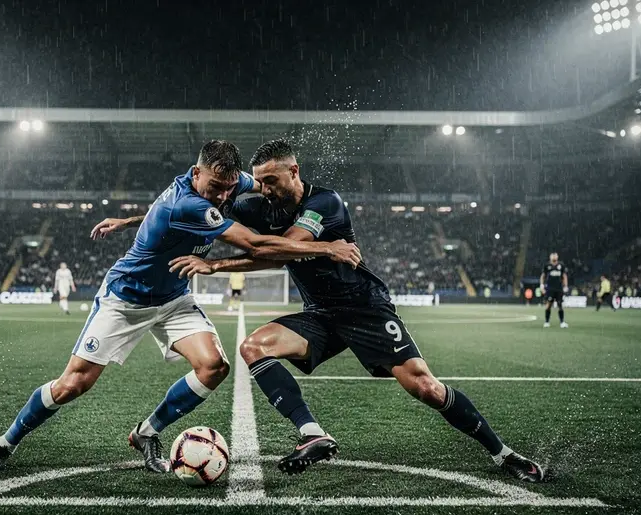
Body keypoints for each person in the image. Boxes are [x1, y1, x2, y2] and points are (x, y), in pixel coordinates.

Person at [0, 140, 361, 477]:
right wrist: (328, 247)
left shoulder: (226, 183)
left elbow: (178, 211)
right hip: (126, 300)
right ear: (196, 174)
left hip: (173, 297)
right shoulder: (187, 204)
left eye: (229, 189)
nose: (223, 197)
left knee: (213, 367)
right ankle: (4, 444)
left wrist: (128, 221)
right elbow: (255, 246)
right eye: (215, 187)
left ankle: (147, 432)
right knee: (73, 384)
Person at [170, 139, 545, 482]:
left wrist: (217, 265)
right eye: (260, 182)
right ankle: (313, 435)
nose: (265, 190)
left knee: (426, 387)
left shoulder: (325, 203)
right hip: (320, 314)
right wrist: (137, 222)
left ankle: (504, 454)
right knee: (254, 347)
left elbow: (283, 250)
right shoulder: (263, 206)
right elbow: (196, 211)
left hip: (365, 309)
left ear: (294, 172)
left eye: (271, 180)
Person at [541, 252, 568, 328]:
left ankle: (562, 322)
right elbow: (543, 276)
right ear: (550, 257)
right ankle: (547, 322)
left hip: (559, 289)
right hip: (550, 289)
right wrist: (542, 285)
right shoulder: (547, 265)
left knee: (560, 305)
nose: (554, 257)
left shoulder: (561, 265)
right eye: (552, 255)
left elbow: (564, 276)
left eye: (555, 255)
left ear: (557, 256)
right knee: (548, 305)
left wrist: (565, 286)